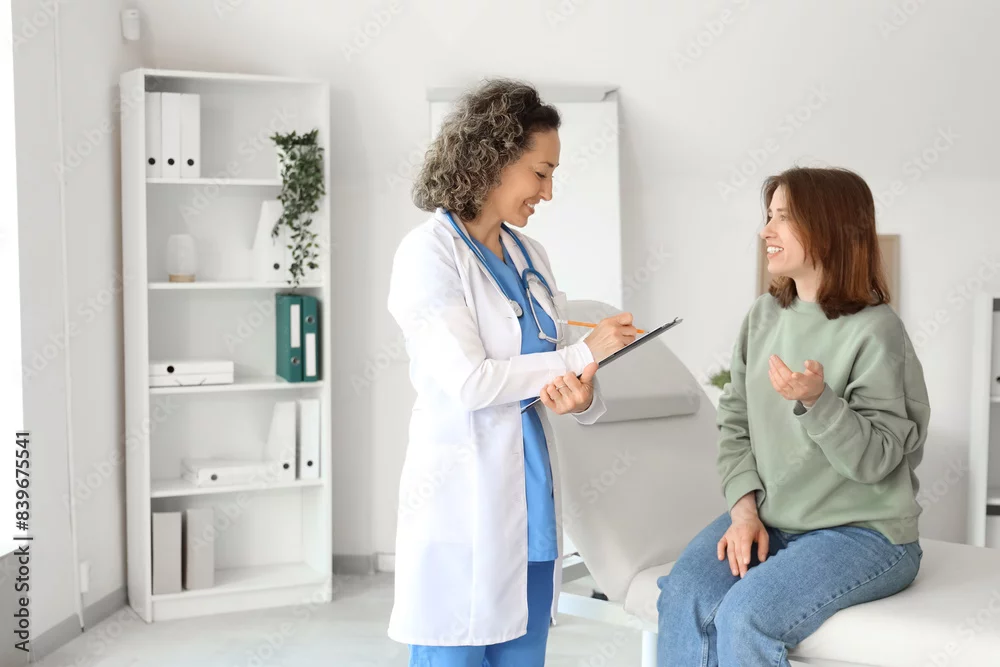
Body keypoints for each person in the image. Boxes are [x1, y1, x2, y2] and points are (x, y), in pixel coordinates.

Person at [386, 78, 637, 667]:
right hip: (461, 501)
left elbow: (553, 366)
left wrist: (581, 396)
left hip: (532, 504)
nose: (548, 192)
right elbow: (471, 381)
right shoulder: (428, 254)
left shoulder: (531, 256)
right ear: (492, 160)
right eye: (540, 173)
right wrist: (582, 355)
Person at [656, 167, 930, 666]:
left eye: (783, 217)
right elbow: (734, 423)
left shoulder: (877, 330)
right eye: (768, 216)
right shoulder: (763, 315)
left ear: (827, 227)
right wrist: (744, 512)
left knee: (746, 617)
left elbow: (878, 461)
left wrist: (820, 403)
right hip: (772, 518)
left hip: (865, 532)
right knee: (683, 594)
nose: (766, 231)